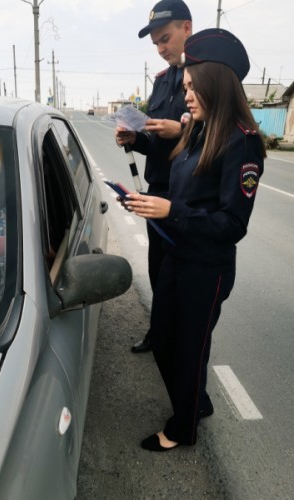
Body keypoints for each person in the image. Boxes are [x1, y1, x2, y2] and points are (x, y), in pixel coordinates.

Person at [123, 28, 266, 450]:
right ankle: (196, 401)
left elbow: (231, 224)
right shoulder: (198, 130)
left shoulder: (243, 143)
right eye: (184, 86)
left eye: (191, 86)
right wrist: (151, 200)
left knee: (188, 348)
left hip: (207, 268)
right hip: (176, 253)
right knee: (165, 341)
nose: (185, 95)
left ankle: (182, 429)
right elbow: (179, 182)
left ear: (213, 83)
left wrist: (173, 211)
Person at [115, 0, 192, 353]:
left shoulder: (207, 75)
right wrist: (137, 138)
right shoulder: (161, 83)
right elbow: (156, 142)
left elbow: (219, 138)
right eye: (156, 44)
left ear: (186, 29)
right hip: (157, 187)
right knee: (158, 266)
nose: (161, 49)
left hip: (187, 194)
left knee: (184, 272)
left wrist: (183, 133)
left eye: (165, 39)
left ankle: (184, 338)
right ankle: (159, 333)